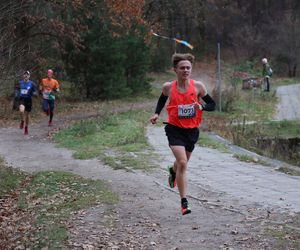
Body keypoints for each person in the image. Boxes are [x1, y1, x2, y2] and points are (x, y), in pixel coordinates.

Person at [150, 53, 216, 215]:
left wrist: (201, 107)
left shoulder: (198, 87)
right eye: (182, 68)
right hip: (174, 129)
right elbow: (162, 99)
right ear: (175, 70)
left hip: (192, 131)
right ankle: (184, 202)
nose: (185, 70)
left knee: (180, 164)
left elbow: (212, 104)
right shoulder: (168, 87)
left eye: (188, 68)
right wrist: (157, 114)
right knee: (183, 163)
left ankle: (172, 171)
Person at [16, 71, 37, 135]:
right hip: (22, 99)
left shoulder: (32, 84)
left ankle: (26, 128)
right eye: (25, 74)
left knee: (27, 115)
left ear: (29, 76)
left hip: (28, 100)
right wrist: (16, 94)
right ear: (23, 76)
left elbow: (35, 91)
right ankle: (22, 121)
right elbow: (17, 89)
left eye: (27, 75)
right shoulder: (20, 83)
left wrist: (34, 93)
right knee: (21, 111)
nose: (26, 76)